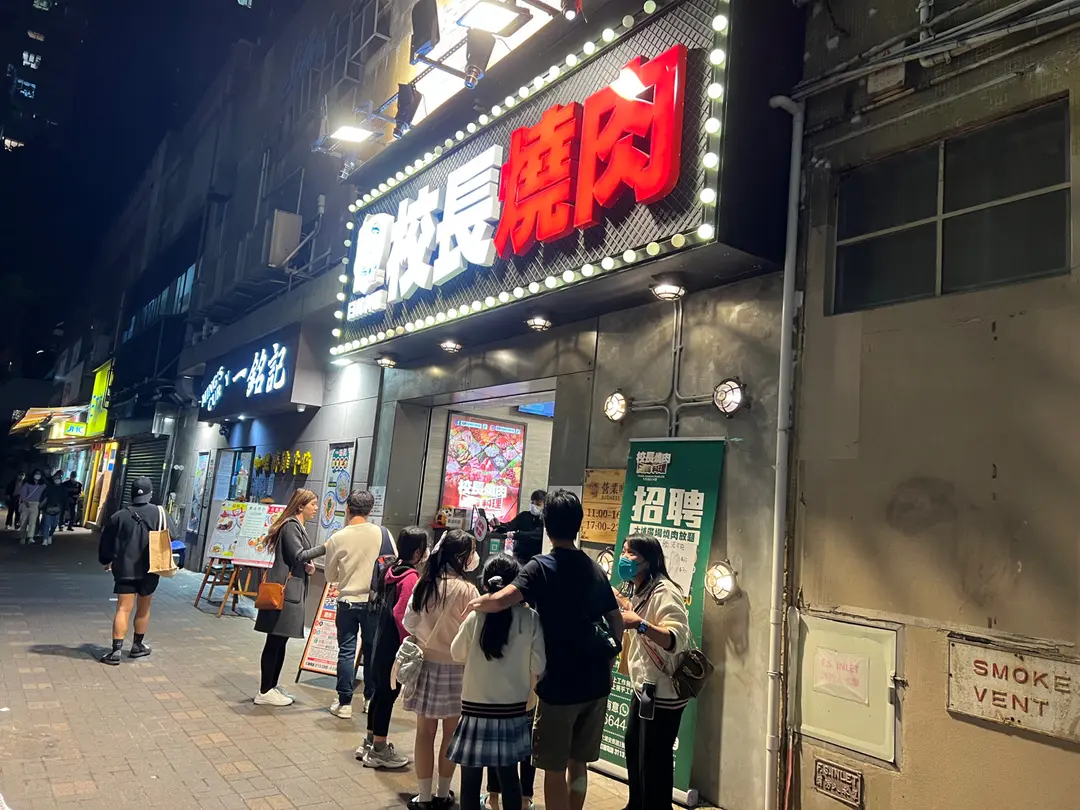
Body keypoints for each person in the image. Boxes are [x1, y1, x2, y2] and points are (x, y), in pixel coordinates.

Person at [467, 490, 624, 810]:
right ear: (578, 525)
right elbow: (616, 619)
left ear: (546, 525)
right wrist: (611, 659)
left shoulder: (540, 566)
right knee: (579, 763)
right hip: (596, 681)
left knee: (554, 768)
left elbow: (502, 600)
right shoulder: (594, 567)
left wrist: (475, 603)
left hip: (560, 683)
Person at [449, 554, 546, 810]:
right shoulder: (530, 618)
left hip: (474, 710)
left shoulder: (476, 616)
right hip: (512, 711)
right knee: (510, 778)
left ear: (485, 583)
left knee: (470, 780)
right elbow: (539, 666)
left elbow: (456, 653)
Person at [296, 489, 395, 718]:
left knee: (346, 652)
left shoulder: (338, 537)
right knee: (372, 652)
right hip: (374, 603)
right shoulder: (383, 533)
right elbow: (393, 564)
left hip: (347, 603)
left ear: (348, 509)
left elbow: (331, 576)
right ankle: (370, 700)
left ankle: (345, 703)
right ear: (370, 510)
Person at [403, 529, 480, 810]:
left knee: (424, 733)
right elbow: (474, 633)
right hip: (457, 669)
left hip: (426, 665)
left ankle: (423, 795)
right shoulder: (469, 590)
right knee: (451, 734)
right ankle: (443, 793)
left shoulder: (425, 583)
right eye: (471, 551)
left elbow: (409, 622)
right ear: (461, 556)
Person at [614, 534, 691, 810]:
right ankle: (636, 805)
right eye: (624, 551)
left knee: (655, 760)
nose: (624, 558)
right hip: (644, 689)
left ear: (649, 561)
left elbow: (676, 639)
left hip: (664, 694)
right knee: (635, 749)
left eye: (631, 553)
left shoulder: (664, 591)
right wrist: (622, 603)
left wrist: (640, 624)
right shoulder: (641, 589)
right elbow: (637, 612)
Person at [356, 525, 428, 770]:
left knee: (379, 692)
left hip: (380, 639)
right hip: (394, 646)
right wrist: (409, 642)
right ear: (418, 552)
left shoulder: (390, 569)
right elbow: (402, 614)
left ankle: (369, 741)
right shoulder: (410, 578)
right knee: (388, 695)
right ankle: (379, 749)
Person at [97, 476, 178, 665]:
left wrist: (106, 560)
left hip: (124, 569)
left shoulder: (118, 516)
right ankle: (137, 646)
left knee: (123, 609)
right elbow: (173, 536)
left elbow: (106, 543)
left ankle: (115, 651)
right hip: (151, 568)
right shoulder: (160, 513)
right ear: (150, 494)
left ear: (132, 494)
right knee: (144, 607)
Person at [252, 488, 320, 706]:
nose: (316, 508)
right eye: (313, 504)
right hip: (284, 592)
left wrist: (308, 567)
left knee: (280, 640)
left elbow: (297, 559)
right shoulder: (291, 526)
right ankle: (264, 691)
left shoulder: (297, 526)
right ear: (300, 505)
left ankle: (272, 686)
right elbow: (298, 555)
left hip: (290, 591)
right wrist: (326, 547)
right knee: (275, 641)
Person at [491, 490, 546, 559]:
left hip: (537, 557)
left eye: (538, 504)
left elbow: (536, 534)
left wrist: (515, 535)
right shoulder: (524, 515)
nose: (534, 506)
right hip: (520, 555)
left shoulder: (546, 520)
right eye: (532, 503)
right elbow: (509, 526)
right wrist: (498, 525)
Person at [17, 469, 46, 545]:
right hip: (26, 504)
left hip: (36, 504)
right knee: (23, 521)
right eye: (36, 473)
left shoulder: (43, 485)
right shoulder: (27, 484)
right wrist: (25, 501)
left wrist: (42, 503)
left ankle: (30, 537)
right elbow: (22, 493)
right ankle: (23, 537)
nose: (37, 475)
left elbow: (46, 494)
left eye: (39, 474)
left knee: (32, 522)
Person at [40, 470, 67, 546]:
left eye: (58, 478)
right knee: (46, 524)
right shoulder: (49, 487)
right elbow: (44, 496)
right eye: (55, 478)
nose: (57, 480)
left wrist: (66, 509)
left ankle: (50, 535)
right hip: (48, 507)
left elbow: (65, 499)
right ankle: (45, 539)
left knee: (54, 525)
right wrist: (42, 505)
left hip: (58, 509)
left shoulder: (63, 488)